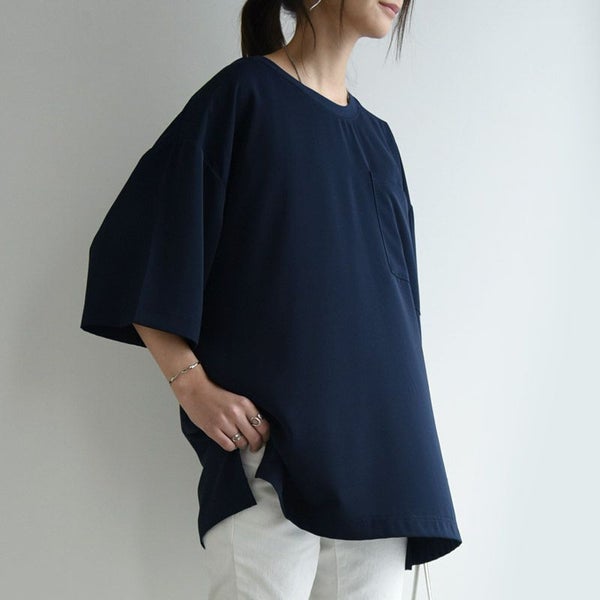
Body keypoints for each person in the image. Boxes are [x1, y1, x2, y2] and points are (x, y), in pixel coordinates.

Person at [80, 0, 462, 598]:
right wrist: (190, 384)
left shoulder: (378, 140)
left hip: (385, 460)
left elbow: (398, 314)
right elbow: (140, 242)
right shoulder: (246, 96)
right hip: (272, 452)